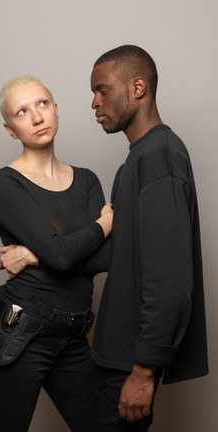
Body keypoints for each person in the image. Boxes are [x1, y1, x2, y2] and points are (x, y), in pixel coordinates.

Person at [0, 74, 113, 432]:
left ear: (56, 109)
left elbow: (110, 258)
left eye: (42, 104)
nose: (36, 117)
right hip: (21, 336)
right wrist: (105, 225)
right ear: (10, 129)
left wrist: (34, 255)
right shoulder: (4, 182)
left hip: (74, 338)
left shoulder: (87, 180)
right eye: (22, 112)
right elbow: (64, 255)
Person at [88, 45, 209, 431]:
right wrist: (34, 253)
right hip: (112, 358)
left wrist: (143, 372)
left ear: (137, 87)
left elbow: (171, 279)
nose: (94, 102)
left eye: (102, 90)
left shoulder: (161, 156)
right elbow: (119, 256)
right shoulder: (133, 164)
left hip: (130, 364)